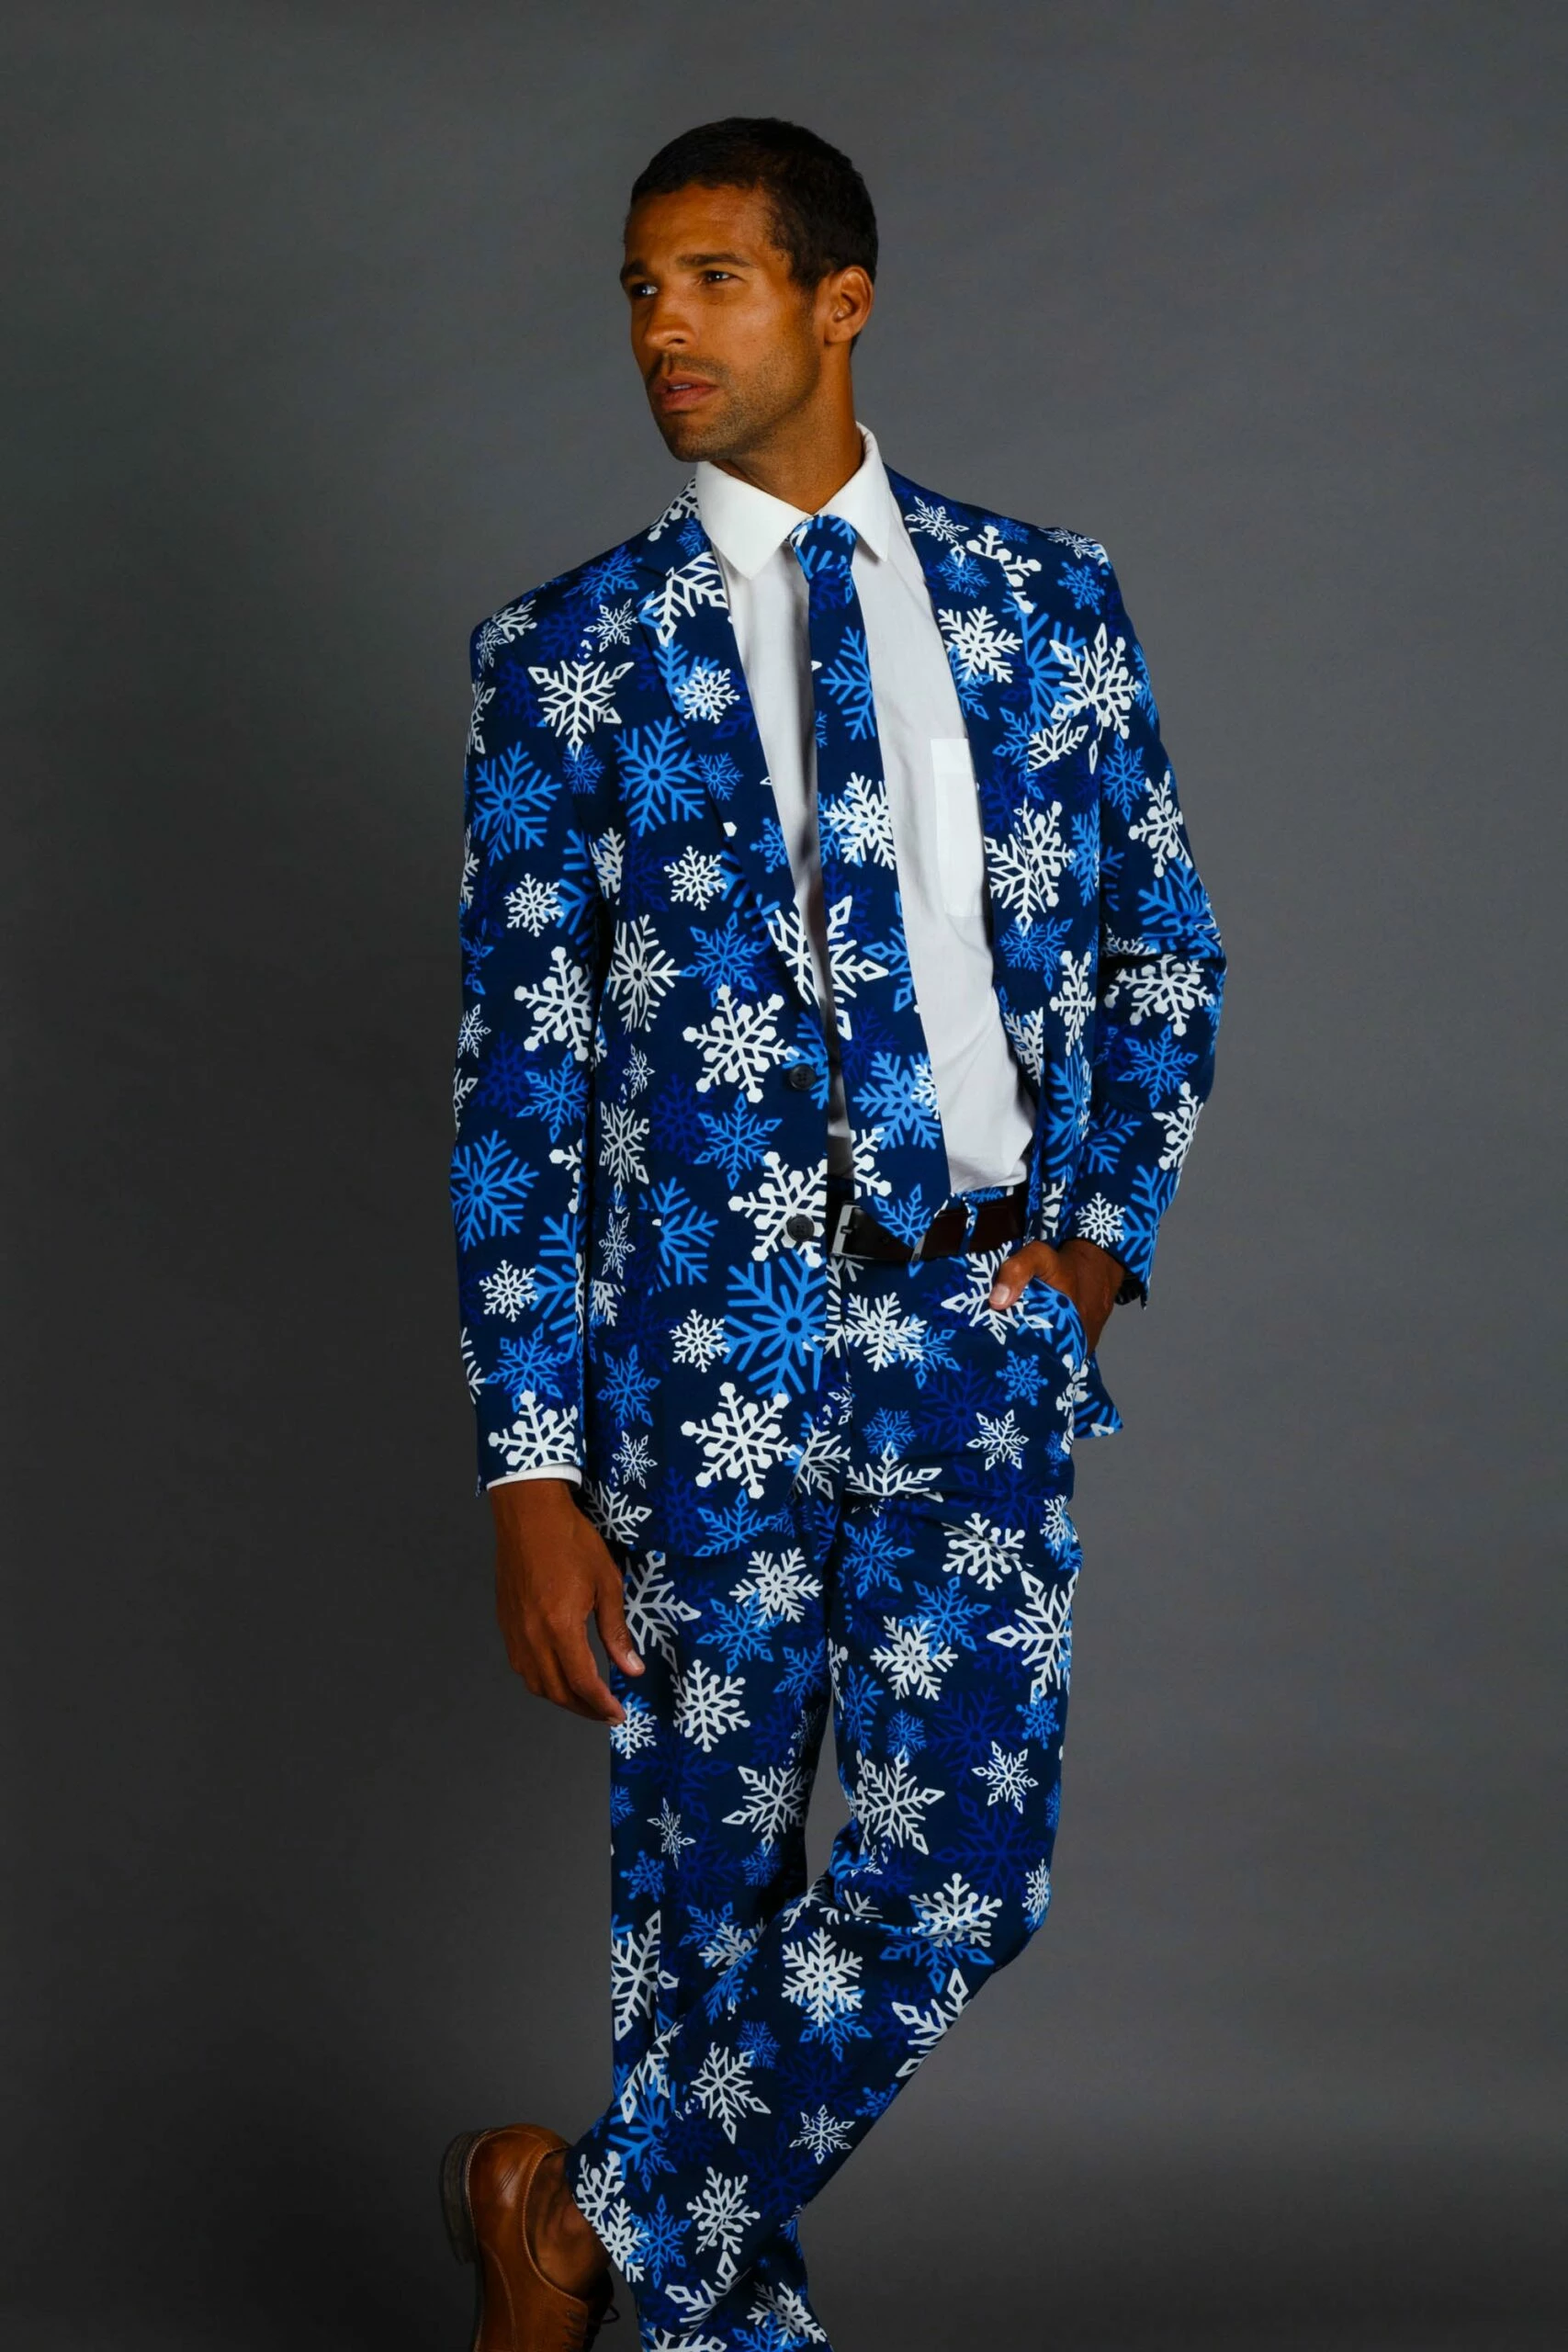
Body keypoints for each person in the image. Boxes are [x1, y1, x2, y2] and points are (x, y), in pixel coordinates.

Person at [441, 116, 1224, 2352]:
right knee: (701, 1907)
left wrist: (1091, 1250)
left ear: (836, 301)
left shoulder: (1043, 603)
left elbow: (1162, 952)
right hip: (697, 1355)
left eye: (709, 279)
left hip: (976, 1325)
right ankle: (697, 2310)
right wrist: (527, 1464)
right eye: (636, 287)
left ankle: (571, 2217)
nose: (658, 329)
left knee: (954, 1875)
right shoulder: (567, 659)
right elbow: (517, 1083)